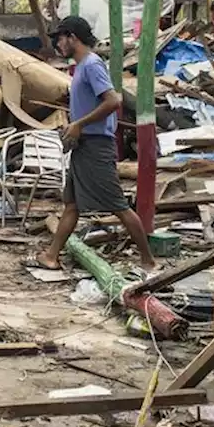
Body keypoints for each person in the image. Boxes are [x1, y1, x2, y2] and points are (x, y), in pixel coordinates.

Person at [36, 15, 158, 273]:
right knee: (72, 204)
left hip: (95, 145)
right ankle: (51, 255)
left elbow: (113, 101)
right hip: (83, 145)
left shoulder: (91, 65)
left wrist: (79, 124)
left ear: (73, 37)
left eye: (60, 38)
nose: (58, 44)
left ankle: (148, 260)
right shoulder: (80, 67)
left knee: (118, 205)